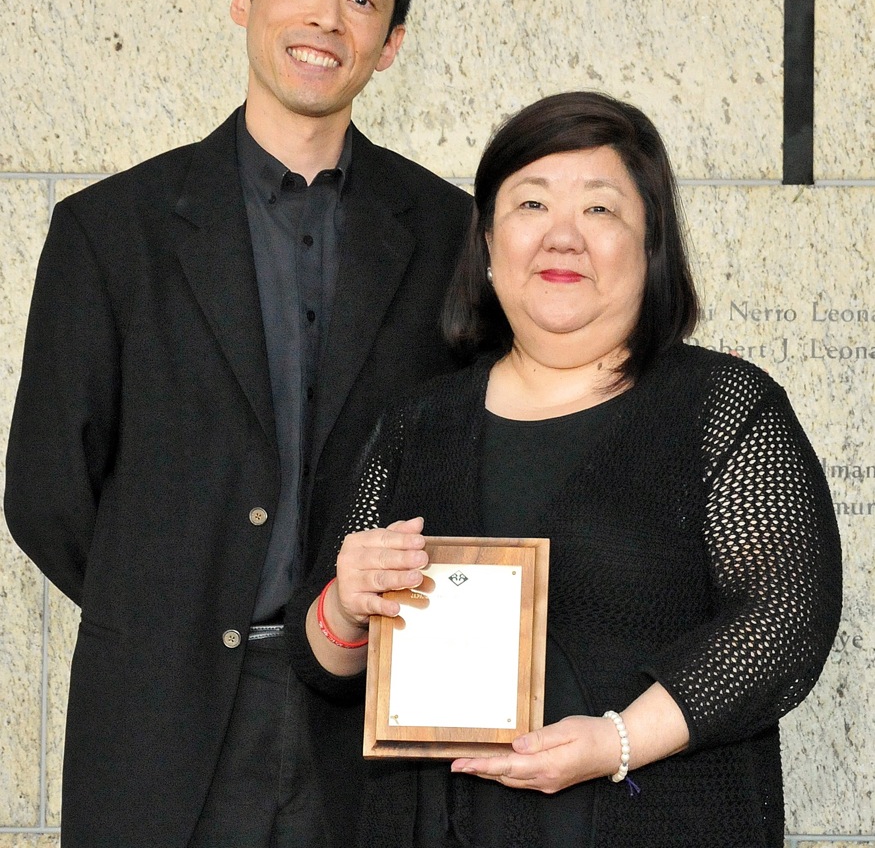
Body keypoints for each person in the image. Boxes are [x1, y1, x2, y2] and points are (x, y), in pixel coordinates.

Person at [4, 0, 471, 848]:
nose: (325, 17)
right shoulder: (110, 231)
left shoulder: (447, 233)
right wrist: (175, 605)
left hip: (370, 722)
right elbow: (47, 491)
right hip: (160, 719)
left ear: (390, 42)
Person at [289, 91, 842, 847]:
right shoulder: (417, 422)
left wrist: (619, 740)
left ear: (650, 245)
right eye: (531, 204)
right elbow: (320, 658)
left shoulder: (719, 405)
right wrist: (346, 605)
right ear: (488, 243)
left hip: (655, 822)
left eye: (599, 209)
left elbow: (783, 621)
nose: (562, 237)